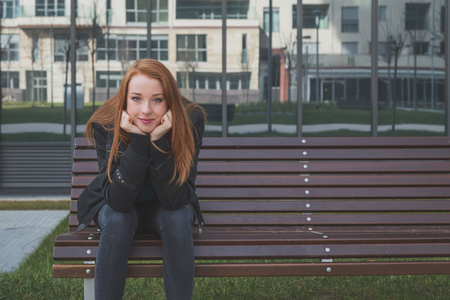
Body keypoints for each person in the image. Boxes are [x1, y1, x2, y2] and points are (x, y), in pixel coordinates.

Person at [76, 58, 206, 300]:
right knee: (117, 218)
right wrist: (138, 140)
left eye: (157, 99)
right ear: (125, 98)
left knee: (177, 216)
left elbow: (176, 199)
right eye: (136, 98)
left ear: (169, 101)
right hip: (118, 204)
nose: (146, 110)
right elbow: (118, 200)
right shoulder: (106, 122)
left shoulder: (190, 120)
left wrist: (157, 141)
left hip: (167, 204)